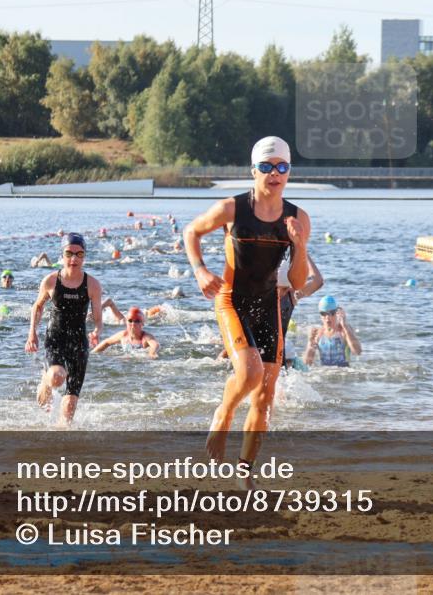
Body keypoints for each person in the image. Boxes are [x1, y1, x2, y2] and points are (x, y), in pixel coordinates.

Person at [184, 136, 311, 474]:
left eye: (281, 167)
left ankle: (243, 473)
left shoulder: (297, 217)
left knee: (266, 397)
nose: (275, 174)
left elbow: (297, 282)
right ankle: (223, 413)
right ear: (253, 171)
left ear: (288, 172)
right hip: (232, 300)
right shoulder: (232, 209)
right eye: (267, 167)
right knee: (251, 374)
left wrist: (299, 245)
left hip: (269, 304)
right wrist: (199, 271)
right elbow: (191, 232)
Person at [25, 233, 103, 425]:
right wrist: (32, 333)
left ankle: (61, 443)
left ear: (84, 256)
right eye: (69, 253)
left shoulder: (92, 284)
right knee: (56, 377)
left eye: (79, 254)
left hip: (79, 342)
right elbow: (38, 306)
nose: (74, 259)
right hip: (55, 338)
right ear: (62, 255)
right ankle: (46, 379)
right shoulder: (51, 281)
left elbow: (98, 317)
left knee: (70, 404)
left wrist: (97, 331)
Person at [304, 296, 362, 367]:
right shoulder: (318, 333)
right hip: (325, 372)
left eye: (331, 313)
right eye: (323, 314)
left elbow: (357, 352)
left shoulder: (344, 330)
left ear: (337, 313)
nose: (328, 317)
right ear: (320, 315)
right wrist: (310, 343)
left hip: (344, 373)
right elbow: (307, 363)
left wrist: (345, 326)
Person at [92, 306, 160, 359]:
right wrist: (93, 353)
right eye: (130, 321)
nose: (133, 324)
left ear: (142, 324)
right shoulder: (123, 335)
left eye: (137, 321)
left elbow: (155, 345)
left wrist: (152, 353)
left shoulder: (145, 337)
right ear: (126, 323)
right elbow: (106, 342)